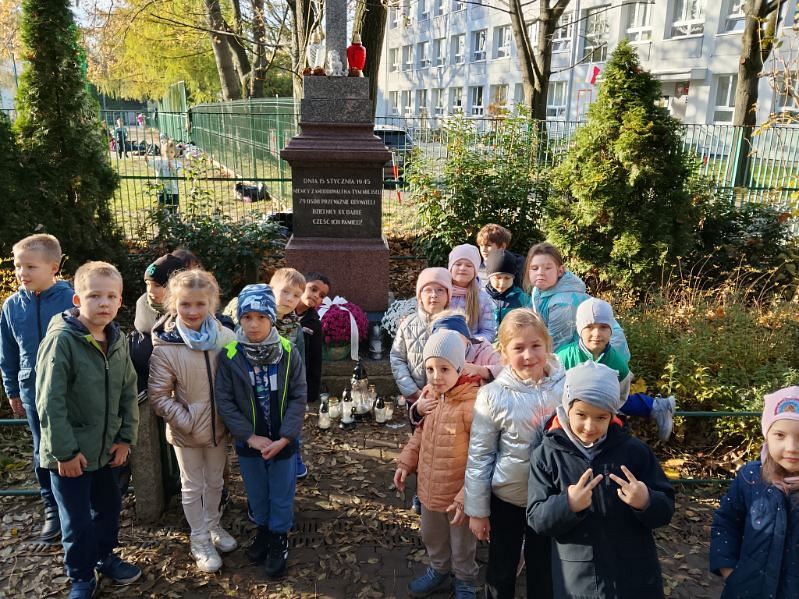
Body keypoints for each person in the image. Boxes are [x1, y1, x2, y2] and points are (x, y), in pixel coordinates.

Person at [36, 261, 141, 599]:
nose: (103, 303)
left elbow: (128, 391)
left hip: (106, 450)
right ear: (78, 300)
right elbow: (50, 401)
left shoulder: (117, 340)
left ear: (120, 301)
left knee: (108, 509)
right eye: (94, 295)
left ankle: (104, 556)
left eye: (110, 296)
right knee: (77, 520)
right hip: (71, 455)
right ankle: (81, 575)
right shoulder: (62, 341)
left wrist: (125, 438)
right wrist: (64, 452)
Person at [527, 361, 675, 599]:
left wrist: (646, 500)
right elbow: (537, 518)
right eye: (581, 415)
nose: (589, 426)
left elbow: (665, 508)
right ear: (566, 407)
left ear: (612, 415)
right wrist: (567, 504)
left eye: (601, 417)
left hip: (634, 577)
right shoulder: (547, 455)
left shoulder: (635, 452)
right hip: (579, 581)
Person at [464, 309, 565, 599]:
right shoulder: (493, 395)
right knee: (502, 566)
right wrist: (478, 511)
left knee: (544, 568)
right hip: (508, 496)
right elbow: (480, 456)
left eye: (536, 346)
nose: (529, 355)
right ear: (504, 353)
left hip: (550, 497)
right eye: (518, 348)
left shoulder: (565, 387)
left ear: (547, 345)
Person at [148, 270, 237, 573]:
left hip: (219, 427)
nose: (193, 311)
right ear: (174, 303)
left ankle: (213, 525)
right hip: (186, 430)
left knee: (216, 481)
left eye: (200, 304)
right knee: (192, 485)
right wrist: (187, 420)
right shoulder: (166, 345)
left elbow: (237, 377)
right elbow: (159, 395)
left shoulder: (225, 337)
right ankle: (198, 538)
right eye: (185, 304)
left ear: (212, 304)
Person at [215, 284, 307, 579]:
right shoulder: (230, 355)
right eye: (247, 317)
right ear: (239, 319)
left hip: (282, 442)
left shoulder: (289, 352)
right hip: (250, 443)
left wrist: (286, 437)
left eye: (261, 317)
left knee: (281, 492)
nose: (253, 324)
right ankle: (264, 530)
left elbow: (298, 396)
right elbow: (225, 401)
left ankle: (279, 537)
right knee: (256, 492)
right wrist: (249, 437)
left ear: (272, 318)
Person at [395, 330, 481, 598]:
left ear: (459, 368)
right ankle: (439, 569)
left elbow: (480, 453)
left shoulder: (472, 404)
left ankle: (465, 579)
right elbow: (420, 435)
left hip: (458, 494)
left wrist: (467, 493)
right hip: (429, 488)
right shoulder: (430, 397)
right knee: (432, 534)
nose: (436, 376)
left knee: (462, 542)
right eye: (430, 369)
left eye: (444, 369)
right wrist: (405, 463)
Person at [0, 234, 74, 543]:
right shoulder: (12, 306)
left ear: (53, 267)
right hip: (32, 390)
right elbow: (8, 351)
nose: (22, 273)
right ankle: (52, 509)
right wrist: (12, 389)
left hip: (71, 390)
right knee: (42, 449)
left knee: (74, 445)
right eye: (18, 266)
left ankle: (78, 507)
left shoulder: (72, 300)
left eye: (30, 266)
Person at [710, 386, 799, 598]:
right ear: (767, 435)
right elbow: (726, 522)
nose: (791, 447)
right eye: (780, 435)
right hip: (747, 589)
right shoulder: (750, 477)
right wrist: (728, 570)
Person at [556, 298, 676, 441]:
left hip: (601, 415)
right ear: (579, 329)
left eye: (603, 327)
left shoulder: (617, 364)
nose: (597, 333)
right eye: (589, 327)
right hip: (571, 413)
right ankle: (655, 406)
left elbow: (621, 398)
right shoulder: (563, 357)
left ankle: (658, 407)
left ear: (611, 330)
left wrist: (607, 416)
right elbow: (552, 389)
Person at [127, 253, 186, 497]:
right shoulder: (144, 305)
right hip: (151, 383)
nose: (151, 291)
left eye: (158, 285)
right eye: (148, 284)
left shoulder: (187, 307)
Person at [524, 242, 629, 358]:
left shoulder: (564, 303)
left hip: (606, 354)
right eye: (534, 268)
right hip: (577, 349)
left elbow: (555, 345)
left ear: (560, 271)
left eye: (547, 268)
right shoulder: (538, 290)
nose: (540, 273)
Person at [390, 267, 453, 408]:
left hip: (448, 400)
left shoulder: (455, 325)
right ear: (419, 296)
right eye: (428, 290)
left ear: (448, 295)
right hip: (416, 399)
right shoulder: (407, 324)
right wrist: (413, 392)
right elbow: (397, 358)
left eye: (440, 290)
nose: (434, 295)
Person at [294, 272, 331, 405]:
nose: (316, 296)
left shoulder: (315, 324)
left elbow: (315, 360)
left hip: (297, 376)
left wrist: (311, 394)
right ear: (302, 286)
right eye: (313, 289)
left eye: (322, 295)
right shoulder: (282, 312)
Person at [448, 244, 496, 342]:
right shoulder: (440, 292)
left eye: (469, 265)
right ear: (450, 267)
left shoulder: (482, 298)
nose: (462, 268)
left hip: (470, 348)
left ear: (475, 271)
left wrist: (470, 341)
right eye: (458, 264)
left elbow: (488, 332)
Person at [483, 249, 527, 327]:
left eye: (507, 278)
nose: (502, 283)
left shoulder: (523, 299)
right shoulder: (481, 297)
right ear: (489, 277)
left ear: (513, 278)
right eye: (498, 278)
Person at [145, 138, 182, 212]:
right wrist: (147, 160)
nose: (169, 154)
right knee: (161, 207)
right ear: (163, 152)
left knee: (173, 207)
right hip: (162, 189)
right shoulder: (160, 162)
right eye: (167, 152)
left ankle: (173, 217)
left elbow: (179, 173)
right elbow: (150, 164)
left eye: (171, 152)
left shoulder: (177, 163)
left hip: (173, 190)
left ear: (175, 153)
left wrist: (172, 167)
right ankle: (162, 217)